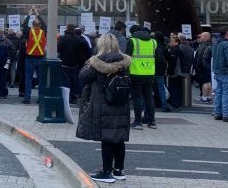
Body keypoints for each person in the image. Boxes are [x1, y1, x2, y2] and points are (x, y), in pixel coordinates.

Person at [76, 33, 132, 184]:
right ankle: (119, 170)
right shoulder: (124, 61)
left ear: (101, 45)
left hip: (103, 105)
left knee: (106, 138)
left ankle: (106, 172)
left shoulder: (96, 62)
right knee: (119, 138)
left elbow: (83, 77)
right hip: (121, 104)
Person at [125, 25, 157, 129]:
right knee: (149, 98)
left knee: (137, 98)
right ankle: (152, 121)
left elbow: (127, 58)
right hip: (150, 73)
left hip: (136, 73)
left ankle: (138, 122)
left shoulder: (132, 41)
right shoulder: (153, 42)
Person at [58, 24, 90, 104]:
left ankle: (66, 97)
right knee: (74, 81)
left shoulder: (63, 38)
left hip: (64, 63)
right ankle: (73, 97)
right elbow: (80, 53)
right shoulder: (78, 40)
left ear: (67, 29)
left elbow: (58, 49)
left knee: (65, 81)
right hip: (74, 64)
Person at [23, 17, 47, 104]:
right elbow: (44, 25)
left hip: (29, 58)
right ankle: (40, 99)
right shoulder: (43, 32)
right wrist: (38, 15)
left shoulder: (29, 31)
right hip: (41, 58)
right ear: (40, 25)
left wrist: (29, 15)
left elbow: (24, 25)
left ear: (32, 25)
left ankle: (27, 99)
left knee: (28, 78)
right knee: (41, 80)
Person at [194, 32, 213, 104]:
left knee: (204, 82)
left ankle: (204, 97)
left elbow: (199, 59)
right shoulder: (211, 45)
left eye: (201, 37)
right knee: (208, 82)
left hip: (202, 68)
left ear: (205, 37)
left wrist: (198, 68)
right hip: (209, 68)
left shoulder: (202, 46)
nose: (200, 38)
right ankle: (208, 97)